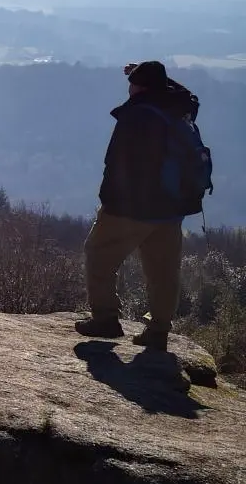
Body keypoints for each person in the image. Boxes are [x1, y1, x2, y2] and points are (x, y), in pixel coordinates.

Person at [74, 61, 205, 350]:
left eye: (133, 83)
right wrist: (163, 79)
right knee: (163, 271)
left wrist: (108, 202)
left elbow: (116, 163)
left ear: (140, 87)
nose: (129, 88)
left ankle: (106, 319)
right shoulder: (178, 107)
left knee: (98, 254)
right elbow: (190, 96)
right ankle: (158, 331)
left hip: (133, 208)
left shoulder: (136, 115)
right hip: (172, 207)